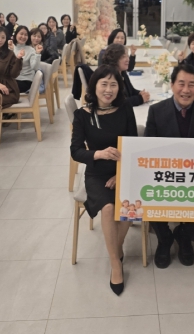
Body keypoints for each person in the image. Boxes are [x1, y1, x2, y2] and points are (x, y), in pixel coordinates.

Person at [144, 64, 194, 268]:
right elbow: (147, 150)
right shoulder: (156, 111)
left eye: (191, 85)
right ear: (172, 85)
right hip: (164, 174)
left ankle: (185, 234)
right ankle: (164, 237)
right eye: (181, 84)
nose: (186, 90)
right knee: (145, 189)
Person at [70, 65, 138, 295]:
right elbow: (76, 151)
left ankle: (115, 248)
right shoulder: (83, 115)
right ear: (94, 86)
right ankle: (115, 263)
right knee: (109, 208)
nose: (109, 90)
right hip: (97, 172)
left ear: (119, 88)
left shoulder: (125, 108)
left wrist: (121, 173)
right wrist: (98, 154)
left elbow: (133, 143)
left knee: (131, 204)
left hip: (124, 169)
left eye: (113, 85)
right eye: (104, 84)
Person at [13, 26, 43, 93]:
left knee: (6, 89)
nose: (23, 36)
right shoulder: (11, 48)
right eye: (21, 34)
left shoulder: (30, 50)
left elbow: (35, 67)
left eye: (26, 35)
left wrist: (37, 54)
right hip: (12, 79)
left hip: (25, 80)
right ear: (16, 34)